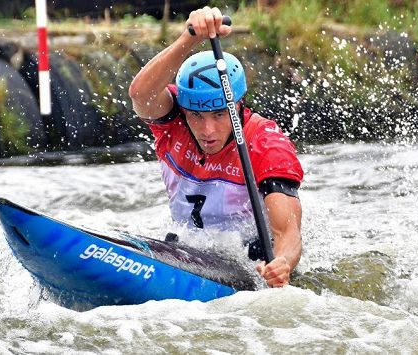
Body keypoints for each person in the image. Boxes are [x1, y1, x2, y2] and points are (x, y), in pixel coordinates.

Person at [128, 7, 304, 288]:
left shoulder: (265, 143)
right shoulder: (173, 120)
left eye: (220, 114)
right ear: (184, 109)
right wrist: (191, 37)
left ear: (237, 104)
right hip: (186, 249)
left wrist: (282, 263)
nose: (207, 131)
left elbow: (289, 231)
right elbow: (140, 94)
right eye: (196, 115)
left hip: (249, 261)